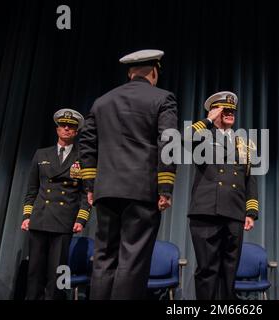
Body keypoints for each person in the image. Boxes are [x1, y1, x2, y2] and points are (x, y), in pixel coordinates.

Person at [79, 49, 178, 299]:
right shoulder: (163, 98)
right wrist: (165, 188)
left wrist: (90, 186)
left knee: (103, 258)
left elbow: (87, 146)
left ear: (129, 73)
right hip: (141, 192)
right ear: (154, 72)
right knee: (132, 261)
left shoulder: (101, 101)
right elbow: (169, 143)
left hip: (106, 191)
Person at [187, 91, 259, 300]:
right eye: (224, 110)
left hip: (234, 212)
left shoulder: (243, 143)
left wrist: (251, 211)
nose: (229, 114)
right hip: (206, 211)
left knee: (229, 272)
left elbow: (249, 179)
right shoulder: (203, 137)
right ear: (214, 112)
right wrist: (209, 120)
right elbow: (182, 139)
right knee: (207, 270)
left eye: (232, 111)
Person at [21, 108, 90, 299]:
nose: (66, 128)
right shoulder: (41, 154)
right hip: (40, 218)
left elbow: (87, 193)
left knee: (57, 272)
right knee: (34, 271)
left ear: (76, 132)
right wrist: (27, 216)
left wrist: (81, 219)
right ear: (57, 129)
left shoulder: (83, 158)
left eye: (71, 127)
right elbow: (32, 190)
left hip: (63, 221)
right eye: (63, 125)